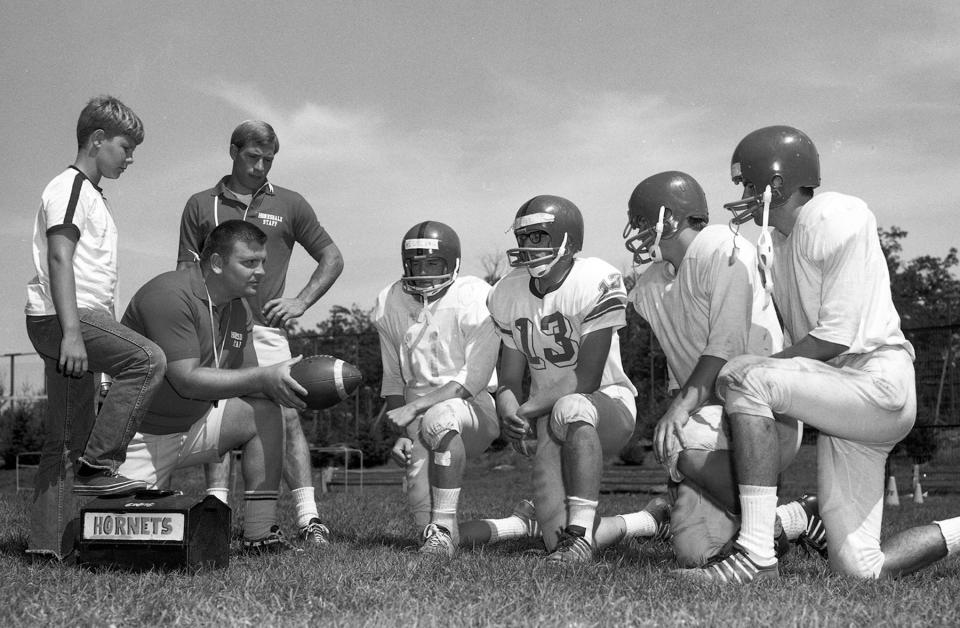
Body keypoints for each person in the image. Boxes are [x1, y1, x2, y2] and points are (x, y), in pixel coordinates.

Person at [677, 125, 960, 583]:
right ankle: (799, 518)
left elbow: (834, 338)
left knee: (747, 377)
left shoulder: (831, 214)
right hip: (844, 402)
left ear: (777, 183)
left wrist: (760, 367)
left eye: (749, 183)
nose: (744, 195)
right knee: (862, 568)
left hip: (875, 381)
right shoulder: (782, 244)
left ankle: (755, 553)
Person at [623, 170, 823, 568]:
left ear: (670, 219)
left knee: (681, 435)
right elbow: (679, 365)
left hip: (762, 417)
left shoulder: (719, 245)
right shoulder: (651, 284)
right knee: (698, 553)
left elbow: (726, 345)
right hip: (712, 418)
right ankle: (794, 517)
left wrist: (679, 410)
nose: (638, 232)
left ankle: (769, 530)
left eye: (643, 222)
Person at [177, 120, 344, 546]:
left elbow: (331, 256)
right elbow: (184, 271)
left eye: (269, 159)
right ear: (233, 151)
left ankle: (308, 518)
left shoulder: (290, 203)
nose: (260, 166)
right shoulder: (200, 204)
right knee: (215, 413)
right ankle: (215, 511)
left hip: (268, 331)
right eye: (253, 157)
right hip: (214, 328)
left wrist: (301, 302)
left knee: (286, 415)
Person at [24, 95, 167, 560]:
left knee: (66, 437)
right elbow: (59, 257)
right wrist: (71, 332)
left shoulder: (92, 195)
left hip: (77, 318)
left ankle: (48, 549)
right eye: (125, 147)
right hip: (65, 316)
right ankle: (100, 467)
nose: (129, 158)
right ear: (97, 139)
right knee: (148, 359)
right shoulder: (68, 187)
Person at [119, 220, 308, 552]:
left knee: (265, 412)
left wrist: (303, 386)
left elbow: (249, 381)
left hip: (192, 426)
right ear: (218, 263)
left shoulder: (238, 307)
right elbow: (187, 379)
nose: (261, 272)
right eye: (250, 262)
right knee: (133, 545)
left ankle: (260, 533)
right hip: (137, 437)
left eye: (262, 262)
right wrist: (265, 376)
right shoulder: (169, 294)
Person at [488, 195, 656, 564]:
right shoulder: (507, 292)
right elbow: (510, 377)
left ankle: (579, 536)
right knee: (552, 540)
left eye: (539, 237)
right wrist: (509, 408)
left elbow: (586, 377)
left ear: (568, 240)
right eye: (524, 237)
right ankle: (645, 520)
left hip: (606, 405)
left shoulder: (595, 278)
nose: (528, 247)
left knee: (572, 404)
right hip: (549, 415)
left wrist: (527, 410)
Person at [374, 220, 542, 557]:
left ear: (453, 263)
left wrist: (416, 411)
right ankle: (516, 525)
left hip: (472, 409)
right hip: (417, 414)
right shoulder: (390, 301)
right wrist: (404, 431)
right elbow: (394, 377)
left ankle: (444, 529)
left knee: (440, 415)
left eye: (432, 263)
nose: (422, 271)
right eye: (415, 263)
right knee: (432, 527)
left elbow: (473, 379)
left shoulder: (474, 295)